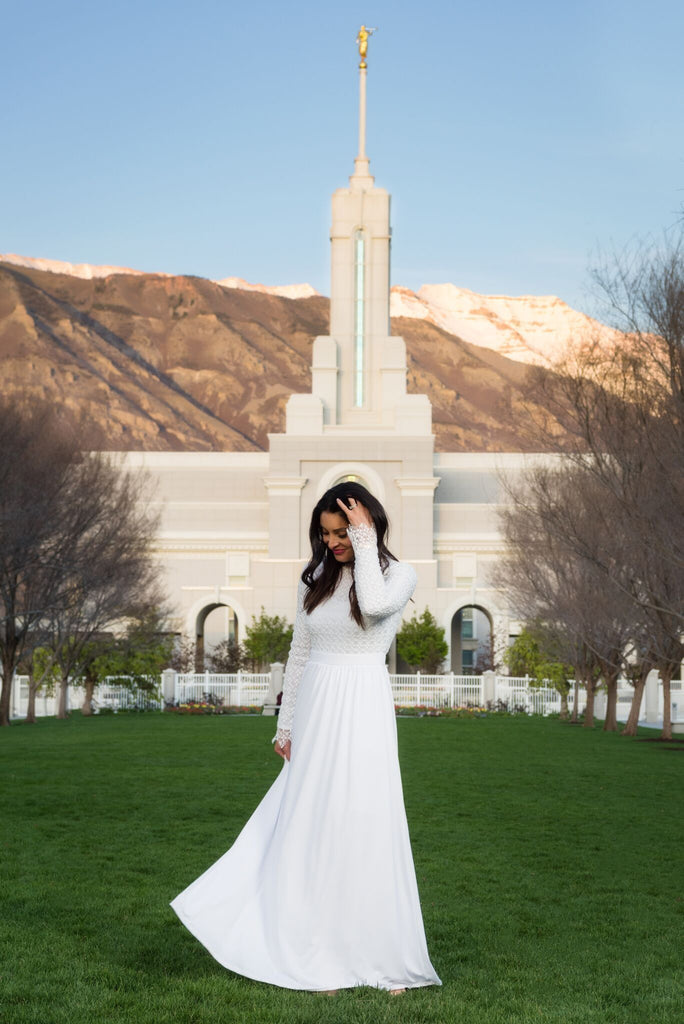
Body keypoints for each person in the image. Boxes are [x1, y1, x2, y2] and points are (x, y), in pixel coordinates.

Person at [170, 482, 441, 993]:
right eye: (326, 533)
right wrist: (286, 722)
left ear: (369, 525)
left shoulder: (398, 575)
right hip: (318, 701)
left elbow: (378, 605)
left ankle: (379, 959)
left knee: (364, 822)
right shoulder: (313, 578)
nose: (333, 541)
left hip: (362, 702)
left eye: (342, 531)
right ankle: (315, 953)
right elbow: (299, 651)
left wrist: (364, 541)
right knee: (313, 825)